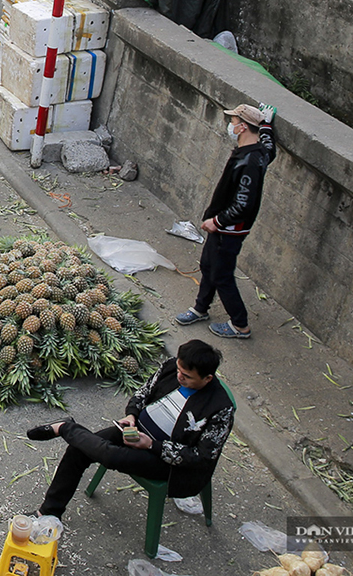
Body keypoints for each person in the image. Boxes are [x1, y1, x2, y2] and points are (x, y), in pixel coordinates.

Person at [27, 340, 233, 519]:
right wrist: (132, 415)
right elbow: (143, 393)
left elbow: (201, 457)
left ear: (207, 378)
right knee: (77, 451)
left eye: (187, 376)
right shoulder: (172, 368)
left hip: (167, 461)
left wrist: (152, 445)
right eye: (179, 370)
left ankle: (65, 428)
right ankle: (48, 512)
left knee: (112, 457)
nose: (180, 377)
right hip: (136, 430)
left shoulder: (221, 408)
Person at [176, 104, 277, 340]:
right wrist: (267, 126)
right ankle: (200, 308)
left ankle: (240, 325)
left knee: (222, 274)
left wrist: (217, 221)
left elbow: (244, 204)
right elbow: (271, 148)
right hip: (224, 226)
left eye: (233, 122)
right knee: (208, 265)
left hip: (229, 229)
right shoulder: (260, 150)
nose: (230, 126)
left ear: (242, 127)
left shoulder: (250, 162)